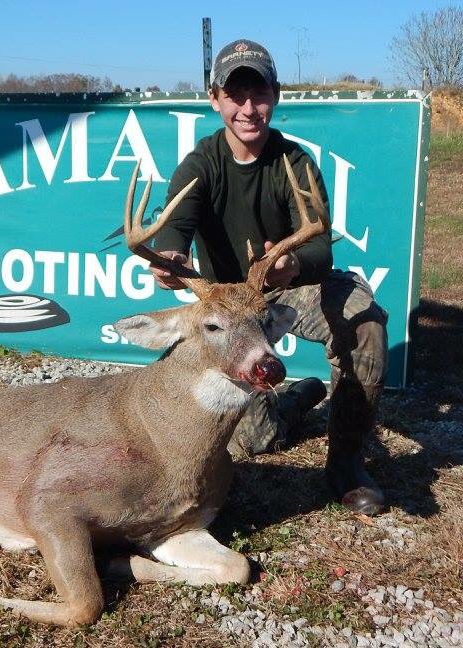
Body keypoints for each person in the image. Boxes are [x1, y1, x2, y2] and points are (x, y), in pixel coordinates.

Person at [148, 39, 390, 516]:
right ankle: (299, 399)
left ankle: (345, 466)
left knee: (364, 322)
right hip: (227, 312)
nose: (248, 108)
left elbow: (321, 244)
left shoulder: (293, 162)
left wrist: (294, 265)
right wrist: (170, 256)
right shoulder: (202, 165)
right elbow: (177, 224)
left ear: (275, 96)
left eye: (258, 94)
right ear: (215, 99)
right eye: (235, 95)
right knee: (258, 442)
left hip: (286, 291)